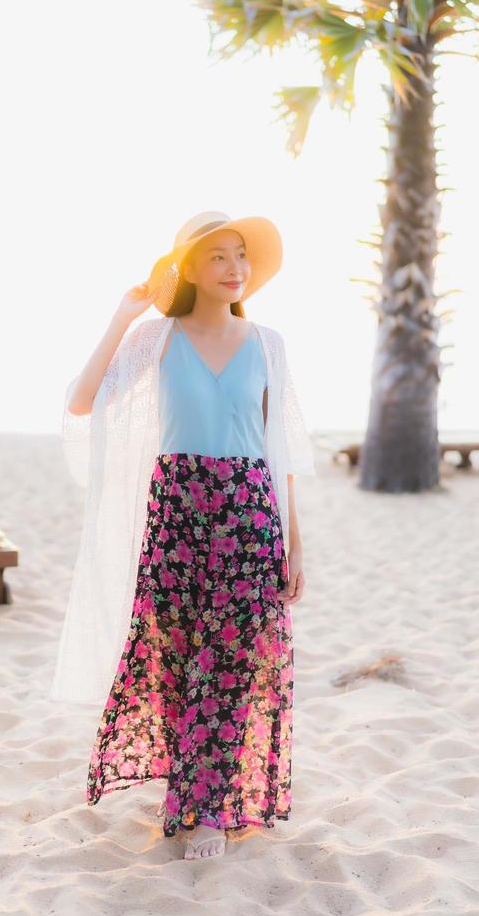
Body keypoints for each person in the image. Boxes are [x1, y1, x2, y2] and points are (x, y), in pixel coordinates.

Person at [52, 211, 316, 861]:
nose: (234, 268)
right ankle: (191, 783)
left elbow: (278, 449)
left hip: (250, 515)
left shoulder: (268, 342)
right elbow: (84, 401)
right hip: (178, 513)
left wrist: (295, 541)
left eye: (241, 256)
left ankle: (207, 809)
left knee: (233, 662)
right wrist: (120, 317)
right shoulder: (156, 338)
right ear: (191, 267)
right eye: (219, 256)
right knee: (177, 655)